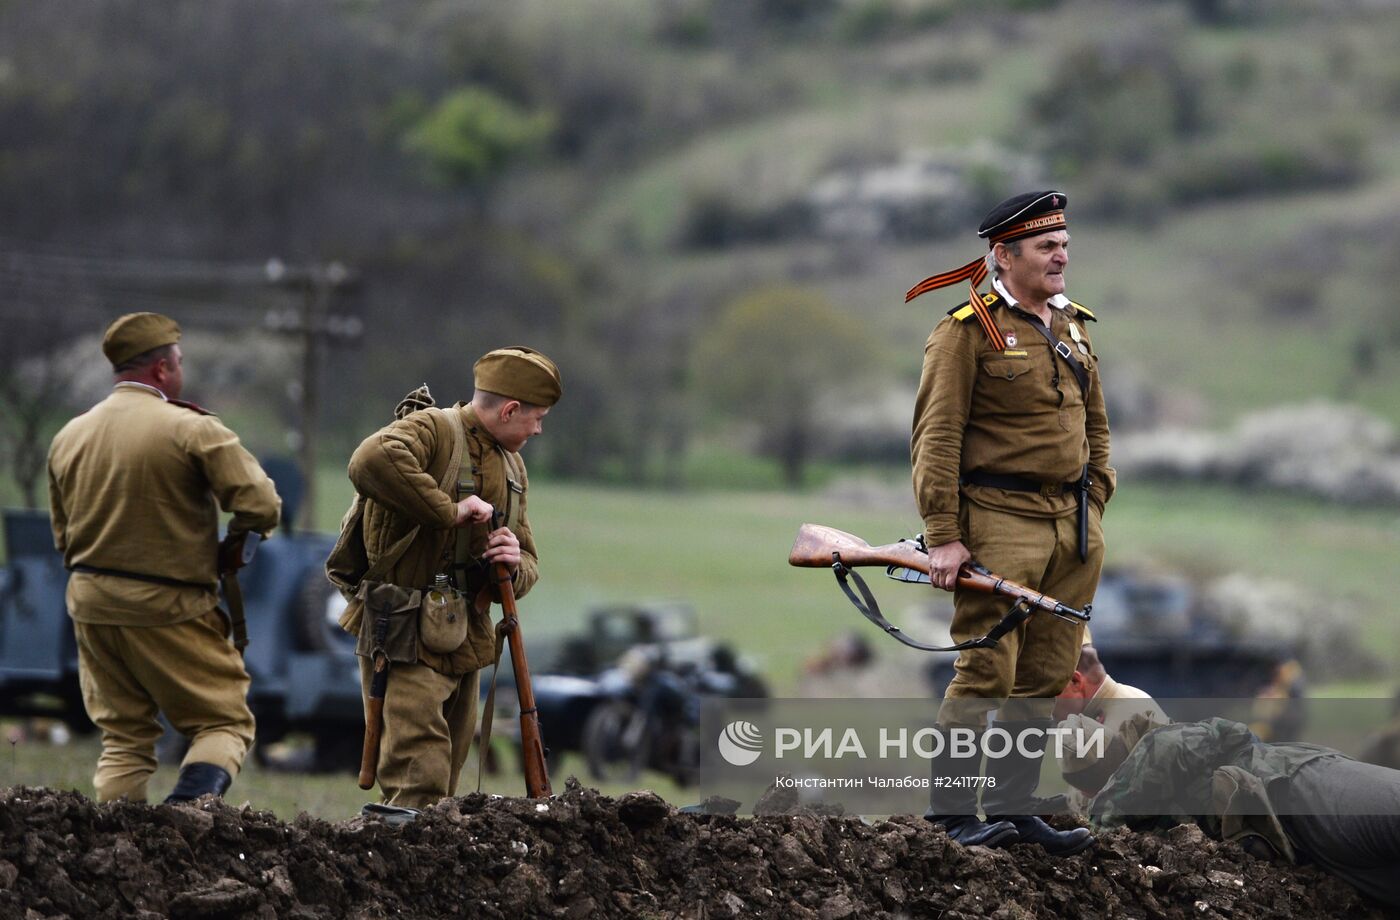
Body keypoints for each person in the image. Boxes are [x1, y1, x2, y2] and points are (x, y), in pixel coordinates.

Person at [907, 190, 1114, 854]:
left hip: (1072, 527)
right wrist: (944, 535)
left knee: (1047, 674)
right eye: (1046, 246)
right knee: (986, 671)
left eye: (1064, 245)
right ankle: (950, 815)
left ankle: (1012, 807)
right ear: (1004, 255)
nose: (1062, 256)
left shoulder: (1073, 325)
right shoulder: (965, 332)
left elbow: (1096, 427)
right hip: (998, 518)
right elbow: (936, 437)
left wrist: (1096, 500)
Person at [47, 312, 281, 804]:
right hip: (169, 605)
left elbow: (63, 538)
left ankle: (118, 839)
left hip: (90, 604)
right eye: (179, 362)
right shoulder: (191, 429)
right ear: (161, 369)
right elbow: (262, 504)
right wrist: (235, 543)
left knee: (124, 738)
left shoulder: (69, 435)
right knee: (224, 721)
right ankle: (186, 816)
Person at [339, 347, 560, 816]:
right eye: (536, 418)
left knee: (445, 781)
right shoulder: (434, 429)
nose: (538, 430)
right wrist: (451, 511)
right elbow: (369, 460)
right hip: (404, 631)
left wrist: (512, 562)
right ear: (510, 409)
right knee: (420, 775)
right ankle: (394, 853)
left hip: (466, 636)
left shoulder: (513, 467)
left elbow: (529, 562)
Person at [1068, 714, 1400, 910]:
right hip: (1304, 842)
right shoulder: (1144, 798)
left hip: (1297, 786)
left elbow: (1165, 752)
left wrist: (1095, 823)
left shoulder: (1154, 745)